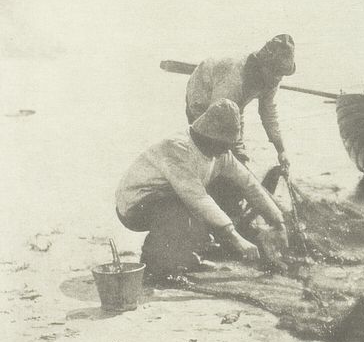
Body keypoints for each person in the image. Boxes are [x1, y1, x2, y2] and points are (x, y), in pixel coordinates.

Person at [115, 98, 289, 279]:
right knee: (180, 214)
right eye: (224, 144)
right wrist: (235, 237)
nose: (227, 150)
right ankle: (155, 267)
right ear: (209, 136)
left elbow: (249, 184)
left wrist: (278, 222)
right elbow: (198, 200)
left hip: (174, 196)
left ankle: (190, 256)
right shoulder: (178, 148)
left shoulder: (221, 154)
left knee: (230, 187)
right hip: (136, 205)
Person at [185, 34, 297, 173]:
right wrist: (234, 151)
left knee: (237, 156)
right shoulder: (235, 75)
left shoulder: (271, 80)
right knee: (209, 149)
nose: (278, 78)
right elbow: (219, 115)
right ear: (263, 65)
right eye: (275, 72)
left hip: (234, 105)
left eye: (281, 74)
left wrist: (281, 150)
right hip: (202, 96)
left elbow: (269, 114)